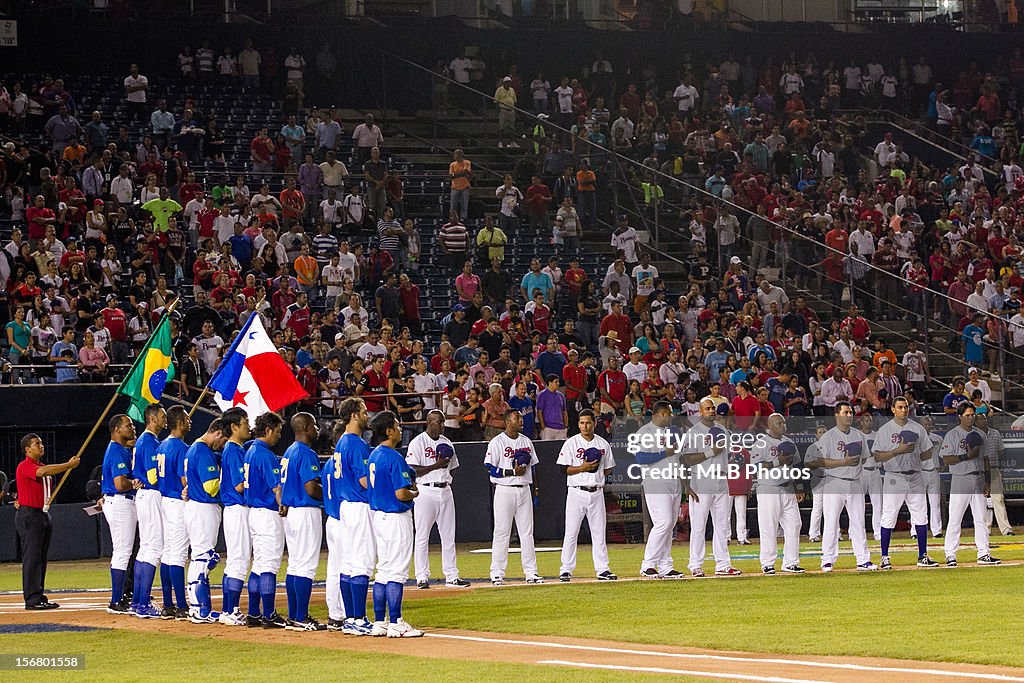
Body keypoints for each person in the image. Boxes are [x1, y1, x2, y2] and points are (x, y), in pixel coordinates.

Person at [367, 410, 424, 637]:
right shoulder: (393, 457)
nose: (400, 429)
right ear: (388, 431)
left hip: (378, 517)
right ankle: (396, 622)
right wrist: (415, 493)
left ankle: (380, 621)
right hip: (395, 517)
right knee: (397, 572)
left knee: (383, 570)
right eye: (397, 426)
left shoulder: (374, 455)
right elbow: (401, 493)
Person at [806, 402, 878, 572]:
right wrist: (843, 461)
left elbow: (866, 457)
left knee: (859, 522)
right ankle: (827, 559)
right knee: (831, 522)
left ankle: (863, 559)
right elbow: (818, 461)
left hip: (855, 481)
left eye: (851, 412)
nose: (849, 415)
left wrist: (851, 462)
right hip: (834, 481)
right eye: (845, 412)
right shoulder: (828, 436)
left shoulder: (859, 436)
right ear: (837, 415)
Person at [15, 433, 80, 610]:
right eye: (37, 443)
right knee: (32, 558)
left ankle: (38, 594)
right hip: (30, 515)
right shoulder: (25, 466)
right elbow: (43, 473)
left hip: (42, 514)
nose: (41, 446)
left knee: (41, 558)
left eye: (42, 443)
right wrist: (68, 465)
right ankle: (32, 599)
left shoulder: (41, 466)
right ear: (27, 449)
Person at [871, 396, 938, 570]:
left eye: (906, 407)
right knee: (889, 516)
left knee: (921, 515)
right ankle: (884, 556)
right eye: (900, 407)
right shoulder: (885, 430)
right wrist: (897, 451)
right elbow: (877, 456)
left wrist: (914, 455)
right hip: (894, 476)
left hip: (915, 475)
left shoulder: (917, 428)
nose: (903, 410)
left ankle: (922, 555)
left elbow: (928, 451)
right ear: (893, 409)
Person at [406, 410, 469, 589]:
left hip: (444, 489)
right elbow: (412, 470)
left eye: (442, 422)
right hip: (425, 491)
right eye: (438, 422)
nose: (442, 425)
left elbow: (454, 466)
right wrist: (437, 466)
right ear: (429, 422)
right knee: (422, 536)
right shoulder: (418, 442)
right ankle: (422, 577)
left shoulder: (446, 442)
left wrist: (444, 475)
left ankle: (451, 575)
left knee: (448, 536)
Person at [556, 410, 617, 582]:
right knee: (571, 532)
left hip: (596, 492)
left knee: (599, 533)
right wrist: (583, 468)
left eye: (588, 422)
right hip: (577, 491)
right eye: (582, 423)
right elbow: (563, 469)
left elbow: (608, 468)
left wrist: (595, 473)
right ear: (578, 424)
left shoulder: (602, 444)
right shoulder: (571, 443)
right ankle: (566, 569)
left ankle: (602, 569)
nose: (585, 426)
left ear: (594, 423)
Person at [683, 398, 741, 577]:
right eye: (707, 408)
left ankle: (723, 564)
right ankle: (695, 564)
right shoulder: (694, 432)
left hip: (721, 480)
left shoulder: (723, 430)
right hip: (701, 479)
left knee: (722, 525)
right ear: (700, 411)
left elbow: (730, 454)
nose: (711, 411)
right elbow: (686, 459)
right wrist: (687, 485)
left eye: (713, 408)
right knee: (699, 525)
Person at [332, 397, 376, 635]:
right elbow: (364, 480)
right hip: (359, 506)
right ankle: (358, 618)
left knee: (348, 562)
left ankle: (351, 618)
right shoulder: (357, 444)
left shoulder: (342, 442)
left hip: (345, 507)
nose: (367, 415)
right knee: (362, 561)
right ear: (354, 415)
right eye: (364, 411)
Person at [484, 409, 542, 585]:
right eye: (517, 418)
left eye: (521, 418)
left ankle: (531, 572)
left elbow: (533, 467)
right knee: (502, 532)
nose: (521, 420)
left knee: (527, 533)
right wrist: (511, 471)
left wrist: (536, 490)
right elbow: (489, 467)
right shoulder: (497, 442)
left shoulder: (526, 442)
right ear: (508, 421)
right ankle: (497, 573)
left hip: (524, 488)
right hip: (504, 489)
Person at [940, 403, 1000, 567]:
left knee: (981, 518)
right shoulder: (952, 435)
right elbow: (946, 459)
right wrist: (966, 456)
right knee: (955, 518)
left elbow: (986, 458)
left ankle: (984, 553)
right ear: (959, 416)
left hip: (978, 478)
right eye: (967, 415)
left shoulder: (980, 434)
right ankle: (950, 554)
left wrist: (987, 481)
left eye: (972, 414)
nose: (970, 417)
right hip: (961, 478)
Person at [280, 412, 325, 631]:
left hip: (291, 512)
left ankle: (295, 615)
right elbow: (311, 488)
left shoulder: (289, 451)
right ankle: (300, 617)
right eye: (314, 425)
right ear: (306, 428)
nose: (317, 429)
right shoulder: (306, 453)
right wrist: (329, 492)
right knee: (305, 566)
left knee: (295, 565)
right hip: (305, 511)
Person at [243, 411, 287, 628]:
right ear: (268, 430)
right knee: (268, 564)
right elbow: (276, 486)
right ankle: (268, 614)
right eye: (277, 432)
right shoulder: (266, 455)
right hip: (267, 513)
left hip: (253, 512)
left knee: (259, 564)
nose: (279, 436)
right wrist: (281, 503)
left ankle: (253, 613)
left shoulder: (250, 451)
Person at [183, 418, 227, 623]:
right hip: (203, 508)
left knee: (200, 557)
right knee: (204, 558)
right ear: (217, 433)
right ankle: (200, 609)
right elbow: (211, 486)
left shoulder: (195, 448)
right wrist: (230, 482)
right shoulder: (202, 451)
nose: (223, 445)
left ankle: (197, 607)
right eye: (223, 439)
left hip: (197, 506)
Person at [751, 414, 805, 574]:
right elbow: (754, 468)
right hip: (769, 488)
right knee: (769, 526)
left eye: (784, 423)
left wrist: (799, 487)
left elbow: (797, 465)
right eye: (779, 423)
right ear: (770, 425)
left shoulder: (789, 443)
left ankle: (791, 562)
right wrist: (777, 462)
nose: (783, 426)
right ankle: (767, 563)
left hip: (788, 487)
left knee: (795, 524)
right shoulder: (761, 443)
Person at [635, 401, 684, 578]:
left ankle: (665, 566)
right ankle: (648, 564)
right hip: (656, 480)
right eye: (670, 413)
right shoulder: (645, 432)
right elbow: (640, 457)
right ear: (662, 414)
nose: (672, 416)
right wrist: (665, 452)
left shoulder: (673, 432)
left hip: (673, 480)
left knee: (669, 524)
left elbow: (679, 457)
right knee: (663, 522)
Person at [128, 404, 166, 618]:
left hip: (145, 496)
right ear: (152, 418)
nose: (164, 419)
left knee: (145, 549)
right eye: (161, 416)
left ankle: (137, 601)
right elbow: (153, 477)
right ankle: (143, 603)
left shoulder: (146, 440)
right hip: (151, 495)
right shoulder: (149, 441)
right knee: (153, 548)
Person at [101, 413, 139, 614]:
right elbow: (120, 483)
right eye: (128, 425)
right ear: (117, 429)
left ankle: (120, 597)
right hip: (120, 501)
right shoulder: (116, 450)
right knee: (122, 551)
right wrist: (134, 482)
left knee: (124, 551)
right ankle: (116, 601)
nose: (132, 428)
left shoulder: (120, 449)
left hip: (119, 502)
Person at [156, 406, 191, 619]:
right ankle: (181, 606)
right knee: (177, 553)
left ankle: (168, 604)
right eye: (186, 418)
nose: (190, 421)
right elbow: (184, 480)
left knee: (168, 552)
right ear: (179, 423)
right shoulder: (181, 448)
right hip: (177, 501)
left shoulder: (162, 446)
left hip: (164, 500)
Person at [217, 407, 251, 625]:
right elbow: (240, 485)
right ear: (234, 427)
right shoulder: (234, 449)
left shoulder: (232, 448)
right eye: (244, 421)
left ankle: (228, 610)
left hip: (233, 509)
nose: (248, 425)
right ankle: (230, 610)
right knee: (239, 560)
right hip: (237, 508)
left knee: (235, 560)